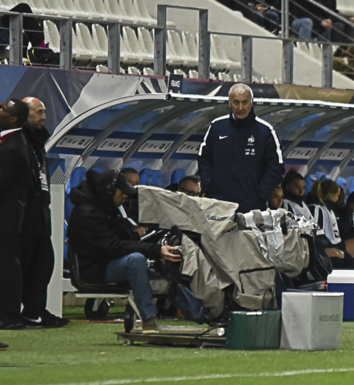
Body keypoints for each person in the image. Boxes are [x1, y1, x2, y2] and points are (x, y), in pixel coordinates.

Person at [67, 169, 183, 332]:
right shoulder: (88, 214)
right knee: (135, 260)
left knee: (162, 266)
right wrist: (156, 250)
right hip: (94, 269)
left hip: (105, 263)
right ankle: (148, 319)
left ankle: (202, 314)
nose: (125, 196)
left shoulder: (103, 207)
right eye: (122, 192)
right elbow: (114, 247)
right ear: (110, 190)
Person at [19, 97, 69, 328]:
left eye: (44, 111)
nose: (44, 117)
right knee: (26, 264)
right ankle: (22, 311)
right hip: (23, 215)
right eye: (38, 112)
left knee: (45, 263)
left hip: (41, 212)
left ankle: (36, 309)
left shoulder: (38, 142)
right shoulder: (18, 141)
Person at [198, 83, 284, 213]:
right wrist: (210, 186)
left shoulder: (265, 131)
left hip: (251, 208)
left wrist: (260, 193)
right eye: (236, 102)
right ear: (229, 103)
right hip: (218, 205)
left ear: (252, 103)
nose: (240, 107)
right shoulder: (217, 127)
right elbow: (204, 159)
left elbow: (276, 167)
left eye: (245, 102)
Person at [0, 98, 32, 330]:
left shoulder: (13, 145)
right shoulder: (10, 141)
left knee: (7, 268)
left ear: (12, 118)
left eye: (2, 108)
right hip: (7, 218)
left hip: (6, 219)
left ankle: (10, 315)